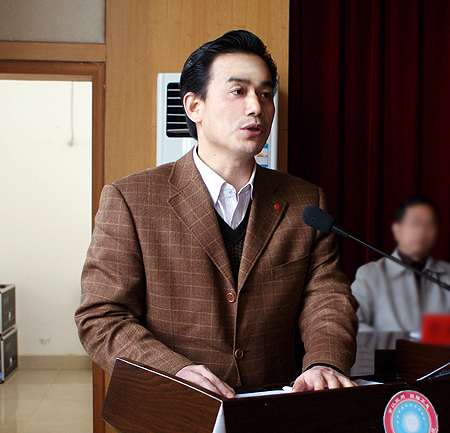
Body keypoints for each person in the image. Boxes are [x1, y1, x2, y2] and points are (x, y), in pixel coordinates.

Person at [75, 30, 358, 398]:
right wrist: (173, 371)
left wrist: (325, 362)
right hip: (174, 408)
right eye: (238, 91)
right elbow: (102, 316)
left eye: (266, 94)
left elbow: (327, 298)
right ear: (195, 106)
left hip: (273, 407)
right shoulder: (131, 199)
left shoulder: (305, 200)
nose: (256, 107)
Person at [352, 195, 450, 332]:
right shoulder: (369, 274)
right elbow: (353, 325)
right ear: (397, 229)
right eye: (415, 223)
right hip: (387, 346)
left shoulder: (448, 274)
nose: (422, 231)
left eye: (429, 224)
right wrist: (398, 341)